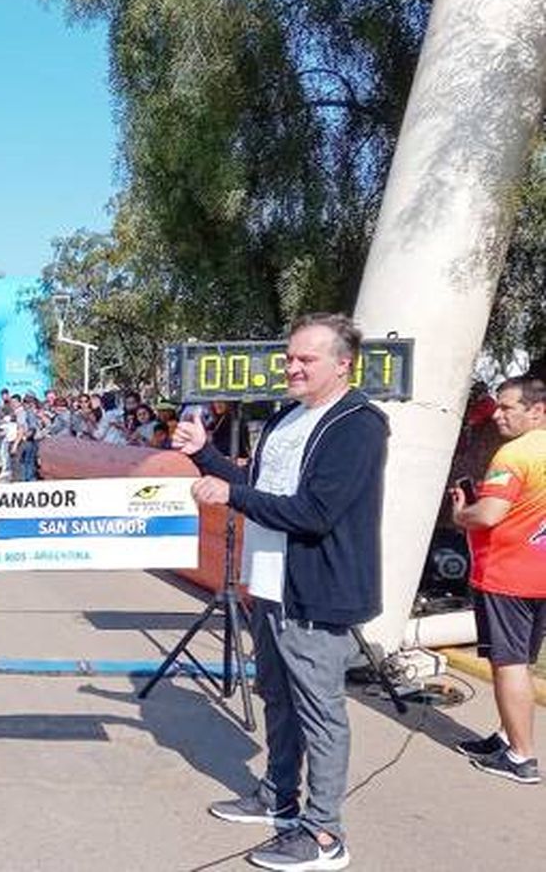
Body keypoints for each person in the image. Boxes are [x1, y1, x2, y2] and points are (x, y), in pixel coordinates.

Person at [175, 314, 386, 872]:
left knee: (320, 710)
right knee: (277, 694)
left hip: (316, 592)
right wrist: (205, 455)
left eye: (305, 360)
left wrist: (229, 494)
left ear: (343, 364)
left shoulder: (359, 425)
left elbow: (316, 513)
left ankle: (323, 834)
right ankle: (279, 797)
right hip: (267, 584)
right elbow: (256, 488)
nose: (291, 367)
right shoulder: (287, 417)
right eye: (289, 358)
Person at [451, 375, 546, 784]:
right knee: (518, 661)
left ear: (537, 410)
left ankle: (522, 757)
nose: (498, 416)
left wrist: (460, 514)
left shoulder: (514, 455)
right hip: (538, 574)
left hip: (506, 575)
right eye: (498, 407)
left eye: (509, 408)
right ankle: (508, 736)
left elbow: (487, 514)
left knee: (508, 664)